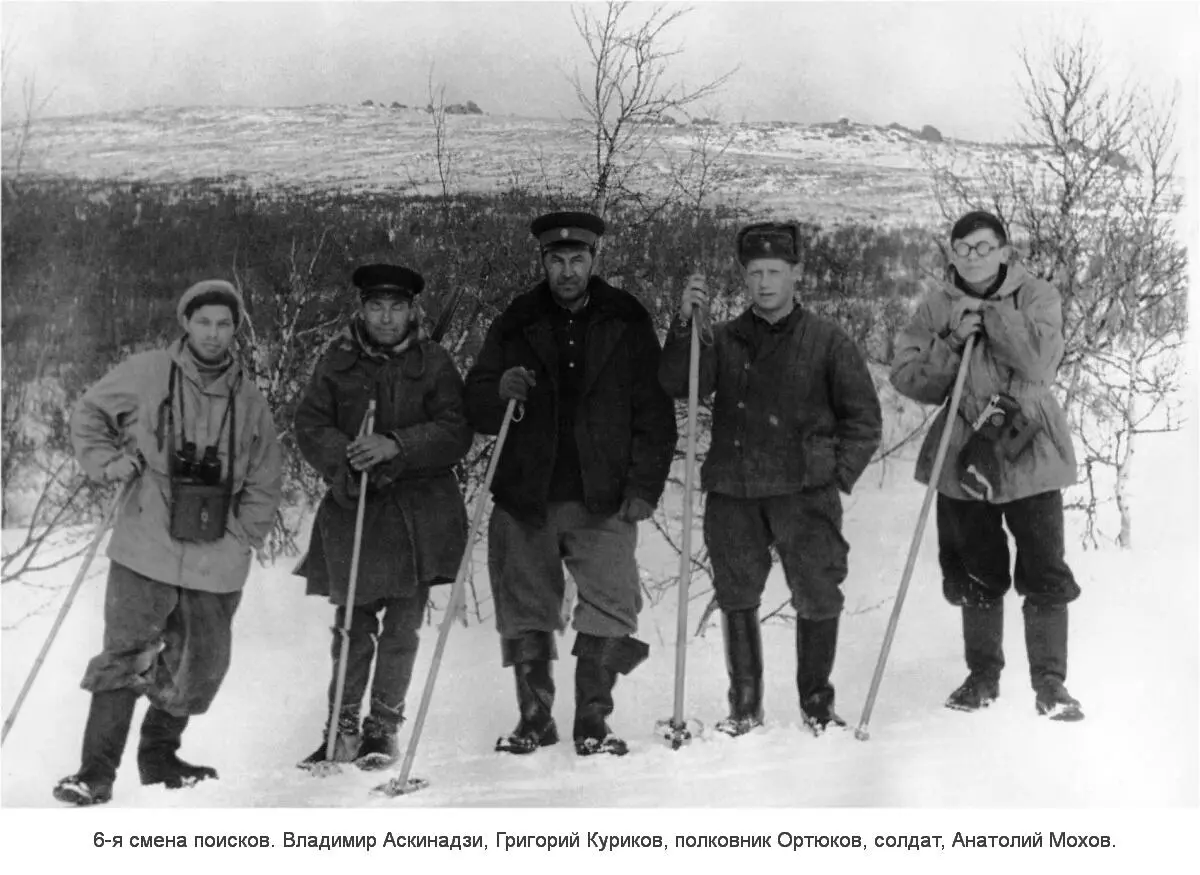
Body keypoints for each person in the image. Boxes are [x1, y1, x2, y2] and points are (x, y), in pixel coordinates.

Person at [56, 280, 284, 806]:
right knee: (124, 656)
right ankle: (94, 774)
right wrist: (108, 462)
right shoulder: (148, 371)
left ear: (235, 329)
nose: (212, 333)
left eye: (224, 324)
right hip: (146, 541)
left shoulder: (249, 399)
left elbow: (266, 479)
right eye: (203, 322)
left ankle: (159, 758)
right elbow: (89, 412)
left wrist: (242, 537)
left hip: (216, 553)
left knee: (201, 665)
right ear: (186, 323)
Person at [464, 211, 677, 757]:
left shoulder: (626, 318)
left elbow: (654, 413)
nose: (567, 270)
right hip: (525, 495)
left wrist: (644, 487)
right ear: (543, 263)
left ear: (593, 260)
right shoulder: (517, 319)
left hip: (602, 495)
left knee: (611, 603)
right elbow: (478, 401)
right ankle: (534, 719)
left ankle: (592, 719)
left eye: (577, 259)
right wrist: (499, 390)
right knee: (525, 607)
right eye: (556, 261)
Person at [659, 222, 882, 737]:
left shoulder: (828, 341)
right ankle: (745, 705)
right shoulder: (723, 338)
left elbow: (864, 421)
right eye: (754, 272)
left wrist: (834, 475)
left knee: (818, 592)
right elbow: (678, 383)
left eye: (774, 272)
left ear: (796, 274)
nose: (763, 283)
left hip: (805, 495)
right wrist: (683, 325)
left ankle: (817, 706)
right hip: (734, 493)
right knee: (736, 593)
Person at [890, 210, 1084, 721]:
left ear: (1004, 251)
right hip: (962, 452)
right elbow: (910, 379)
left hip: (1028, 446)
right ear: (951, 255)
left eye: (983, 246)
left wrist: (993, 318)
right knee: (977, 569)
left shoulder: (1038, 296)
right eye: (962, 248)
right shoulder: (936, 306)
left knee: (1043, 568)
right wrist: (952, 341)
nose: (972, 256)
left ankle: (1050, 686)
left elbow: (1040, 362)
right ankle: (982, 678)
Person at [293, 264, 472, 770]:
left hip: (418, 516)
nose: (386, 317)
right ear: (362, 309)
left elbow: (456, 430)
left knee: (402, 629)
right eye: (376, 306)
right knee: (351, 626)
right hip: (357, 511)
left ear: (412, 310)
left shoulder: (434, 361)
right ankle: (341, 729)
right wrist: (349, 454)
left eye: (397, 307)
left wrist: (397, 444)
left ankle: (382, 730)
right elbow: (310, 422)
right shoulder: (338, 360)